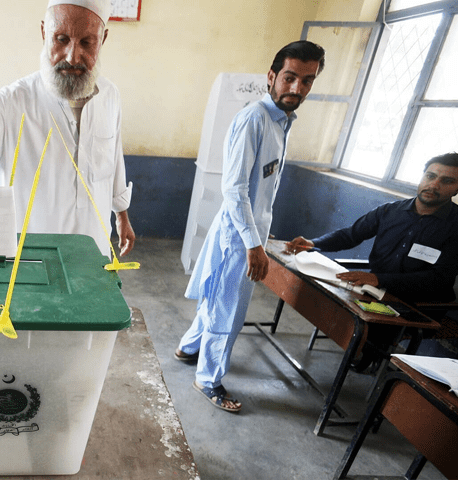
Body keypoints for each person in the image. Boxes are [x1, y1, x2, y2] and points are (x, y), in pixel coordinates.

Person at [0, 0, 135, 258]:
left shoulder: (110, 96)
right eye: (61, 39)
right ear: (44, 33)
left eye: (87, 42)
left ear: (103, 39)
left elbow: (114, 160)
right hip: (29, 265)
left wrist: (122, 215)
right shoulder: (11, 103)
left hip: (96, 256)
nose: (73, 56)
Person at [174, 41, 325, 413]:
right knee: (229, 311)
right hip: (238, 238)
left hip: (245, 232)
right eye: (289, 78)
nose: (296, 88)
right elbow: (235, 188)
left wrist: (261, 234)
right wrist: (253, 245)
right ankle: (207, 380)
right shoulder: (255, 119)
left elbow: (259, 189)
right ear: (271, 77)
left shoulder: (281, 122)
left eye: (307, 81)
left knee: (217, 297)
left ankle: (188, 348)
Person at [285, 153, 458, 304]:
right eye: (430, 176)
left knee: (366, 329)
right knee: (323, 300)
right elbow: (350, 235)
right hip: (374, 291)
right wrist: (312, 243)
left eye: (447, 181)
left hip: (420, 303)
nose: (434, 185)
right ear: (422, 177)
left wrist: (378, 278)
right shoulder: (390, 210)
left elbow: (439, 279)